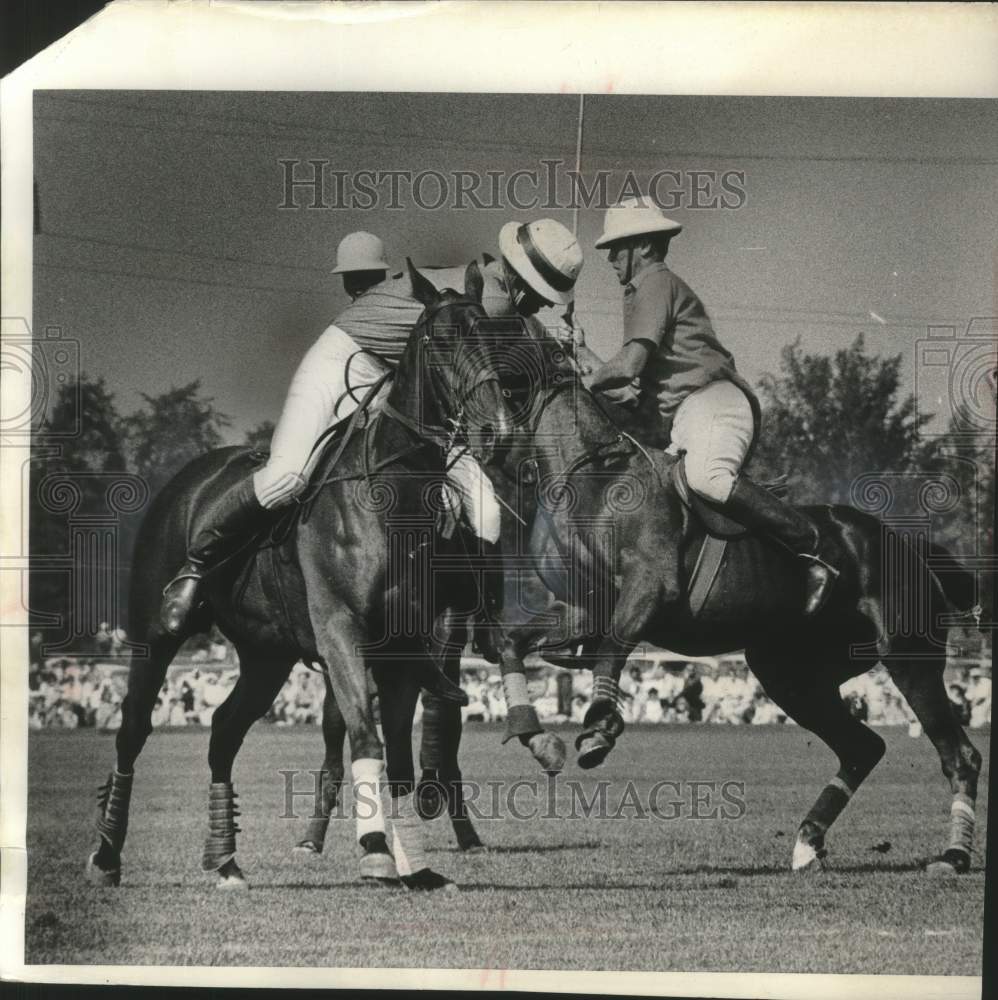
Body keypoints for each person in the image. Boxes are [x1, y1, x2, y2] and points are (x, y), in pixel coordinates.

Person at [588, 197, 838, 616]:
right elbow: (628, 390)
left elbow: (628, 365)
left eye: (616, 248)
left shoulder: (655, 283)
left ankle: (816, 549)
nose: (610, 258)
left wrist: (587, 379)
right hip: (687, 416)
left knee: (708, 477)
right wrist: (580, 353)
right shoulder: (643, 292)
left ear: (644, 246)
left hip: (714, 403)